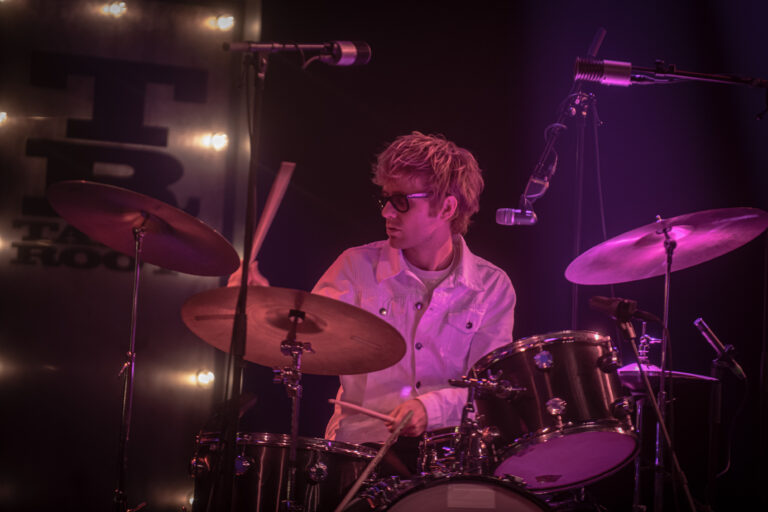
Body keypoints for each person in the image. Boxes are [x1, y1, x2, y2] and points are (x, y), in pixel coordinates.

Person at [312, 132, 516, 468]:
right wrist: (268, 310)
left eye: (402, 201)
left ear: (447, 207)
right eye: (386, 200)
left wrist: (430, 408)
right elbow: (308, 341)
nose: (387, 213)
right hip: (361, 451)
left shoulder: (492, 287)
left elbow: (491, 391)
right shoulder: (354, 267)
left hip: (452, 458)